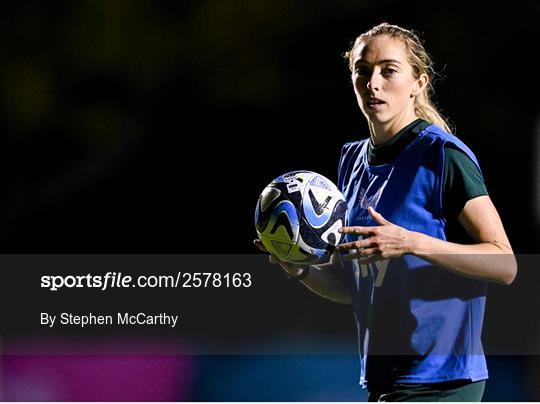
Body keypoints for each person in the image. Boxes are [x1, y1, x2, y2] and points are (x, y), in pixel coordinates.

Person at [255, 22, 517, 402]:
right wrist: (296, 266)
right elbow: (351, 287)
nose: (373, 82)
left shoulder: (442, 156)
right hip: (383, 380)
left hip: (442, 379)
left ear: (418, 83)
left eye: (389, 70)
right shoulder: (351, 159)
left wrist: (410, 242)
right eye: (363, 70)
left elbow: (505, 264)